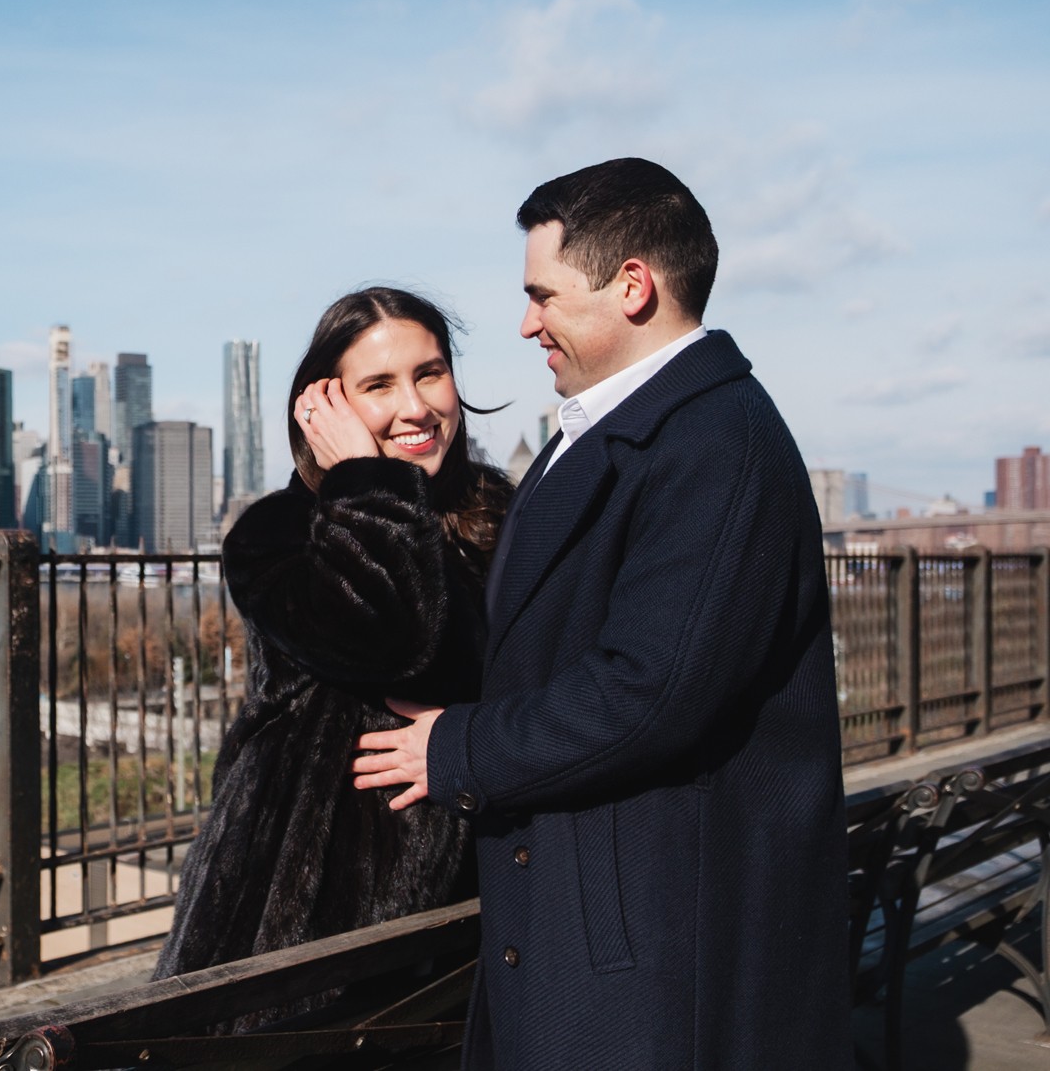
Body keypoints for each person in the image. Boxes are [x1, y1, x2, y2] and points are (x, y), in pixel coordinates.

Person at [351, 159, 850, 1069]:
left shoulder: (716, 442)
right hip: (602, 917)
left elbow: (650, 691)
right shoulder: (628, 429)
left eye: (542, 294)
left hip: (654, 947)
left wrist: (456, 746)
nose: (526, 322)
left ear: (632, 285)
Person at [155, 286, 511, 1028]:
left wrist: (472, 738)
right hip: (306, 915)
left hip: (479, 909)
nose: (414, 406)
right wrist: (367, 481)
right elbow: (391, 638)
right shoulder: (276, 535)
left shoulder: (501, 514)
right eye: (378, 385)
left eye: (430, 373)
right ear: (325, 405)